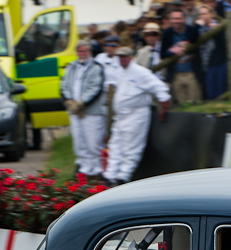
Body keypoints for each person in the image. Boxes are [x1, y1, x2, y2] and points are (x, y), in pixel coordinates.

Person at [103, 46, 171, 185]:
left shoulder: (141, 72)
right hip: (121, 116)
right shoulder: (119, 71)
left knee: (131, 147)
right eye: (120, 57)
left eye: (124, 56)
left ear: (130, 57)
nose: (122, 59)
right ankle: (110, 176)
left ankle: (123, 177)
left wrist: (164, 103)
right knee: (115, 145)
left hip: (136, 114)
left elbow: (158, 86)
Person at [61, 41, 106, 181]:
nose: (82, 54)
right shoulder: (71, 67)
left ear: (90, 52)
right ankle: (84, 171)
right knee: (79, 142)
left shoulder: (96, 68)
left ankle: (97, 171)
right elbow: (64, 85)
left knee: (93, 143)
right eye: (80, 51)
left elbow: (95, 88)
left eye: (84, 51)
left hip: (91, 112)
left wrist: (81, 103)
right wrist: (69, 101)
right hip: (74, 111)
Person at [161, 9, 203, 103]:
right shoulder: (167, 33)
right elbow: (162, 54)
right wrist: (171, 50)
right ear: (170, 20)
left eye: (179, 18)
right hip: (176, 74)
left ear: (185, 19)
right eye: (174, 18)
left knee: (195, 103)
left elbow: (195, 38)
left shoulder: (192, 30)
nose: (176, 21)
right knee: (181, 105)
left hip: (192, 73)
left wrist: (185, 44)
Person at [195, 6, 227, 98]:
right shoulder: (198, 28)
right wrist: (197, 26)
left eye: (205, 13)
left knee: (220, 92)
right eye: (201, 14)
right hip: (205, 65)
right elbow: (192, 39)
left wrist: (216, 31)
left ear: (211, 14)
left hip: (219, 63)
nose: (203, 16)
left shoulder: (218, 25)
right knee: (210, 93)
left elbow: (224, 45)